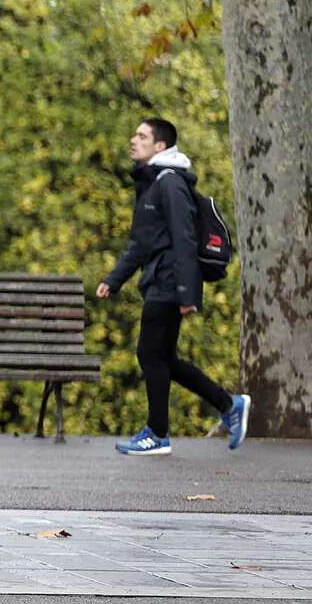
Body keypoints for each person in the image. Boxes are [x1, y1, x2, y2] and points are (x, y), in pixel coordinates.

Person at [97, 118, 249, 456]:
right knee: (163, 358)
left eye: (141, 136)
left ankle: (158, 433)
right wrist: (113, 279)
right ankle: (229, 404)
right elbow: (140, 243)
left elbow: (185, 238)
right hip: (160, 278)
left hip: (169, 281)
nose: (133, 140)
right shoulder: (152, 185)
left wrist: (187, 293)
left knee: (150, 354)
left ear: (160, 146)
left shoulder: (170, 184)